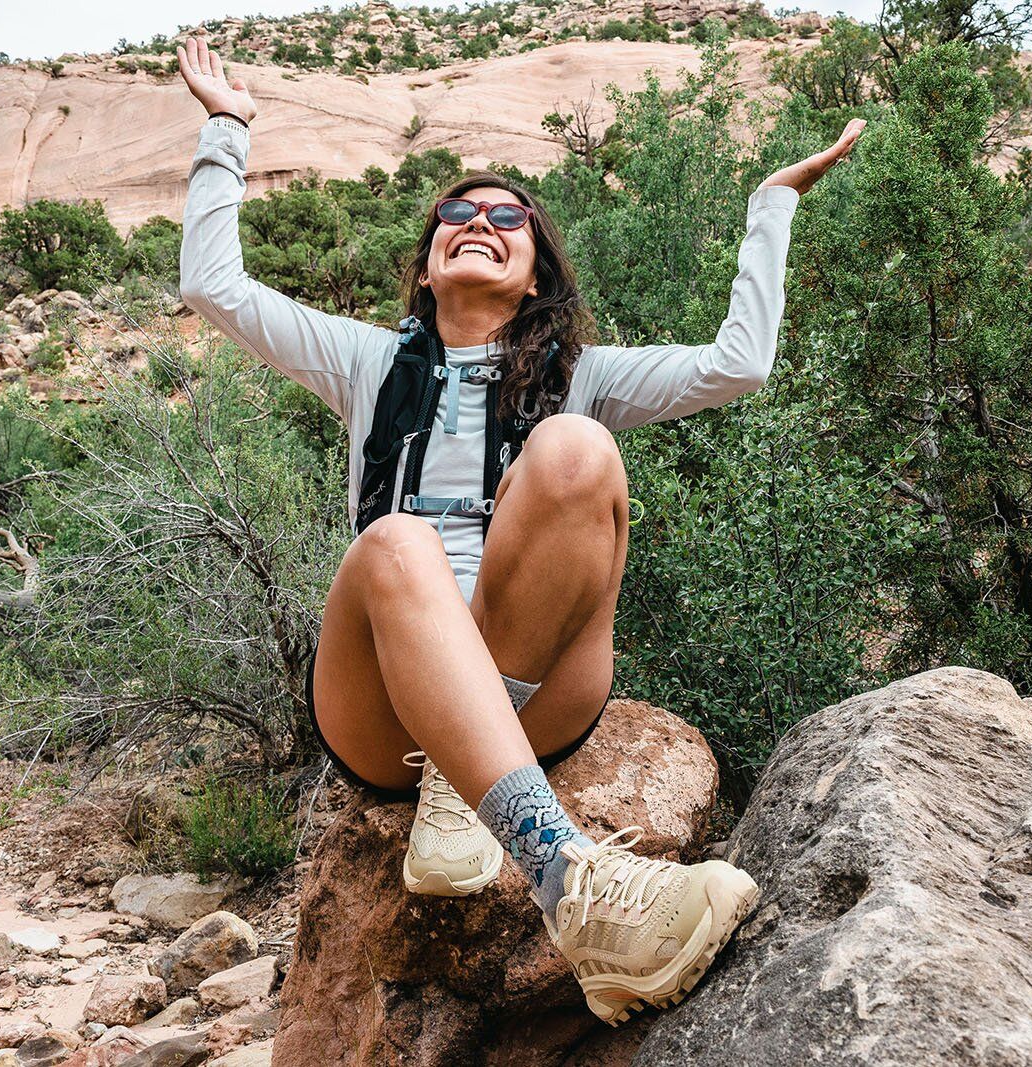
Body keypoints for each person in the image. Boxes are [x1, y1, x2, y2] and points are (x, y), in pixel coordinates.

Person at [176, 35, 863, 1026]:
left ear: (537, 271)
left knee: (577, 447)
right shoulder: (365, 361)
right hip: (381, 709)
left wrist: (771, 206)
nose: (478, 222)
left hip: (539, 686)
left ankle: (478, 777)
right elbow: (213, 287)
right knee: (397, 541)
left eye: (508, 217)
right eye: (456, 214)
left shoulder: (585, 374)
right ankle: (569, 878)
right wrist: (226, 129)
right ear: (427, 267)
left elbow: (739, 363)